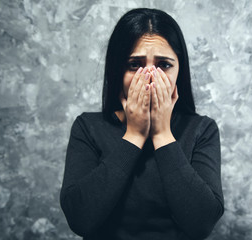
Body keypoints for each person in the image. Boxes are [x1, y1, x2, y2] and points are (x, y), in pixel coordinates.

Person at [59, 8, 224, 240]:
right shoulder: (88, 127)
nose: (149, 78)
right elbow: (80, 219)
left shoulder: (201, 130)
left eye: (164, 65)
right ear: (118, 70)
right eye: (135, 65)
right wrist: (134, 135)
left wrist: (162, 133)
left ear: (180, 71)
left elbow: (201, 225)